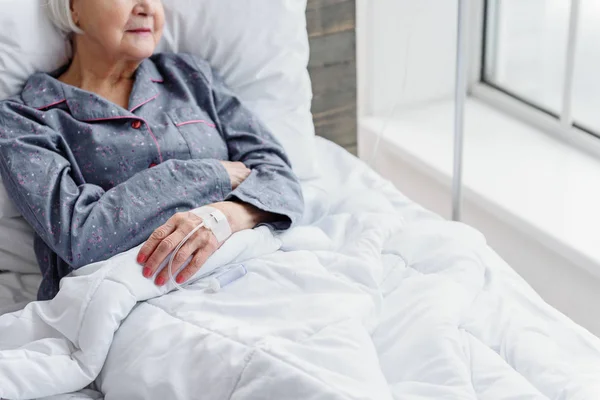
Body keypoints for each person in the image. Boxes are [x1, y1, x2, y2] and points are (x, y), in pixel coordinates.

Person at [0, 0, 304, 300]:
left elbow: (281, 180)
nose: (146, 6)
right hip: (131, 298)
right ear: (73, 8)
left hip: (252, 271)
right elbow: (79, 237)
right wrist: (209, 174)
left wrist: (226, 216)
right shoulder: (25, 118)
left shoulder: (190, 76)